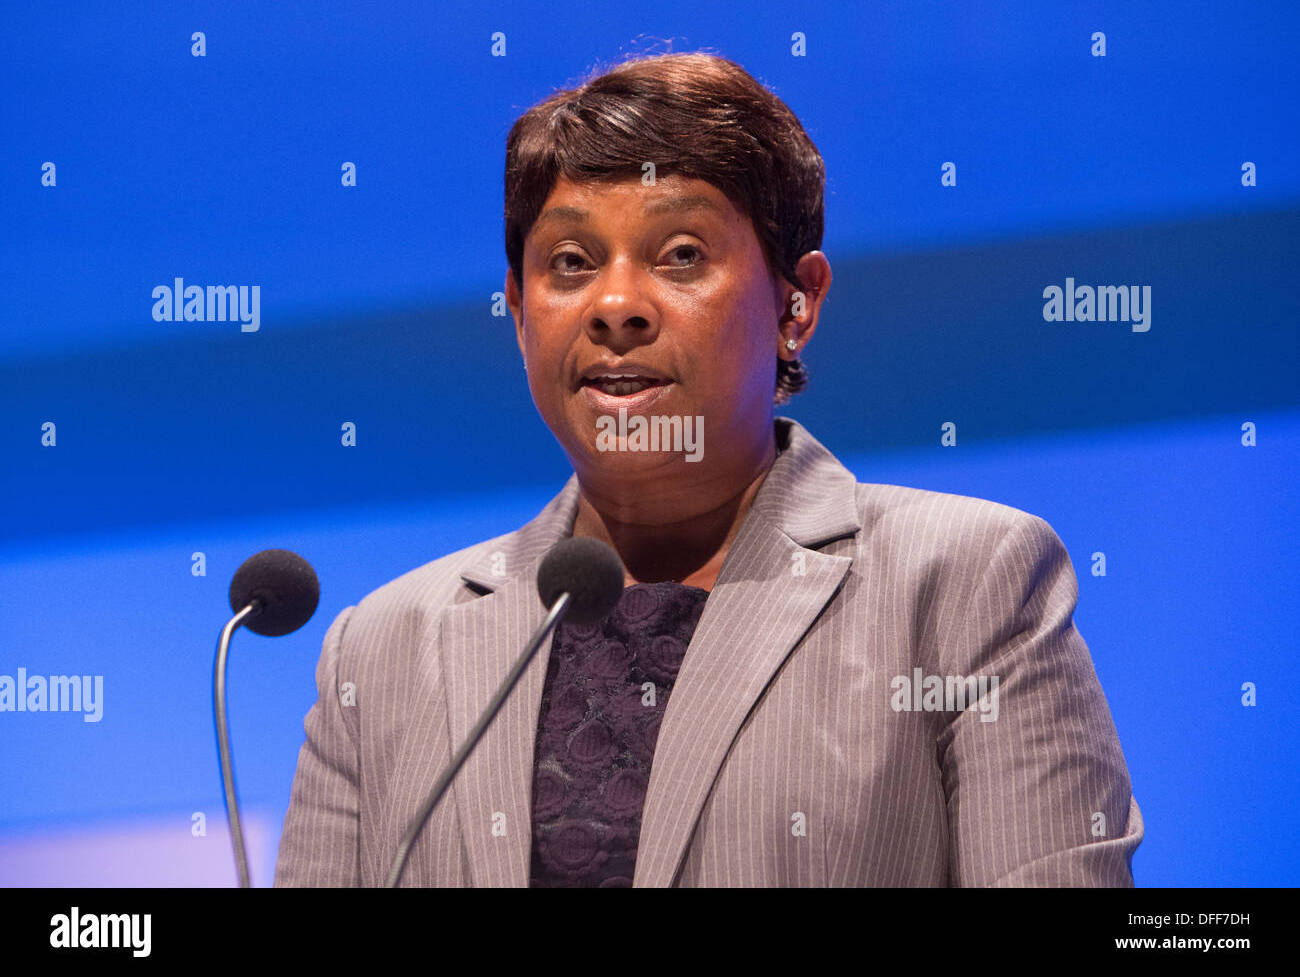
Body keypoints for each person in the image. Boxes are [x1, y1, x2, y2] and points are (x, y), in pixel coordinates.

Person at [273, 51, 1142, 887]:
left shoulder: (966, 587)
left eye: (681, 254)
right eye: (570, 263)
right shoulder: (382, 651)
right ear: (519, 314)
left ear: (796, 305)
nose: (615, 306)